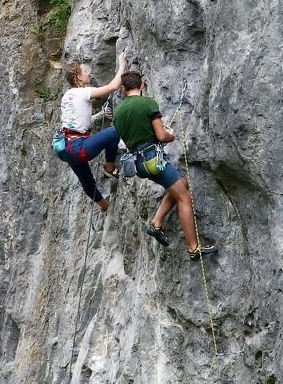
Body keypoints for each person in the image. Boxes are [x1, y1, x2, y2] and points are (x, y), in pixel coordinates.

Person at [113, 71, 218, 260]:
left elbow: (133, 138)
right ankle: (193, 248)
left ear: (123, 89)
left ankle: (156, 223)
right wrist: (172, 136)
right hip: (154, 159)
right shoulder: (148, 103)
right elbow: (161, 136)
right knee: (184, 198)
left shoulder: (118, 113)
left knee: (181, 184)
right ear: (142, 86)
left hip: (138, 164)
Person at [56, 56, 126, 212]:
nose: (90, 73)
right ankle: (109, 168)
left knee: (86, 180)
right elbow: (113, 87)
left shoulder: (68, 96)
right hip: (77, 147)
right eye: (86, 71)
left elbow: (78, 122)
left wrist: (100, 115)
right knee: (114, 132)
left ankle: (104, 206)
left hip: (64, 149)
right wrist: (122, 65)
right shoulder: (82, 92)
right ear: (79, 77)